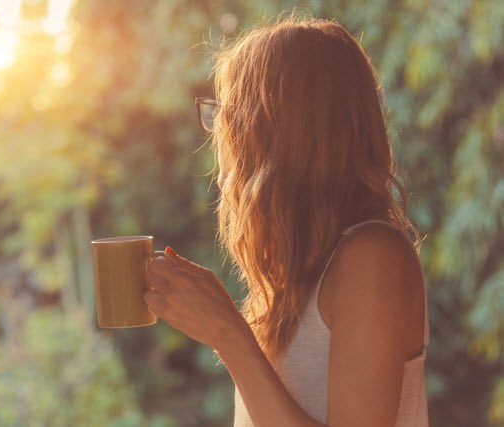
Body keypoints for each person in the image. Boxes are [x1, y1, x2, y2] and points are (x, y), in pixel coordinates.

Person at [145, 13, 429, 427]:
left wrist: (228, 334)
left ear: (276, 133)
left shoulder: (373, 257)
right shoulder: (290, 276)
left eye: (229, 116)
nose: (219, 136)